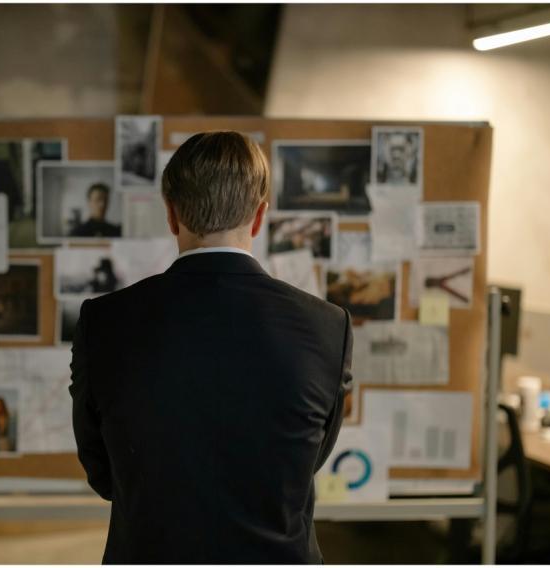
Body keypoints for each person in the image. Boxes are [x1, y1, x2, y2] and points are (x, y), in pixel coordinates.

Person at [69, 131, 353, 564]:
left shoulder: (104, 322)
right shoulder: (328, 327)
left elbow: (104, 474)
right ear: (259, 217)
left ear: (171, 214)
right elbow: (305, 461)